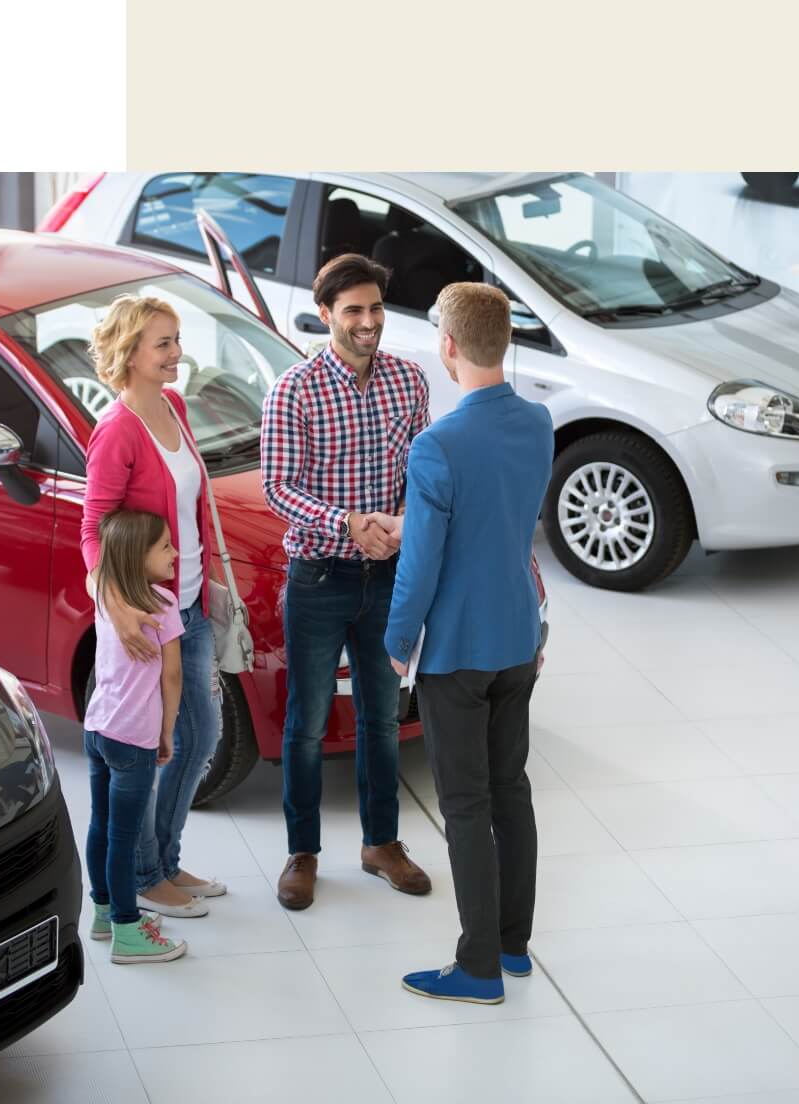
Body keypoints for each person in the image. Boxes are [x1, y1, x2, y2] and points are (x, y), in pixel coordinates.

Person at [381, 283, 554, 1004]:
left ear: (448, 346)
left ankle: (477, 967)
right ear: (503, 341)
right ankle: (514, 947)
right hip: (519, 636)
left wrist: (396, 641)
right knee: (511, 790)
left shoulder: (437, 445)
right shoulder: (539, 422)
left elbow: (421, 562)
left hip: (458, 651)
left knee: (466, 806)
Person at [260, 253, 433, 910]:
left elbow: (423, 474)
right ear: (326, 313)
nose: (368, 322)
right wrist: (348, 521)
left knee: (382, 718)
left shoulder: (409, 382)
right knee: (305, 722)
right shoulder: (294, 390)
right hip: (318, 576)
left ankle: (380, 844)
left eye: (376, 309)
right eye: (354, 311)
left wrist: (401, 523)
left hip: (387, 576)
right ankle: (302, 853)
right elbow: (277, 487)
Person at [82, 296, 225, 919]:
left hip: (188, 604)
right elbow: (94, 530)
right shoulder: (116, 431)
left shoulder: (174, 406)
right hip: (146, 616)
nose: (176, 353)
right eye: (163, 343)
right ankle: (142, 874)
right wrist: (115, 606)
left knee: (199, 736)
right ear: (130, 354)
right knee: (146, 748)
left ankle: (162, 859)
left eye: (177, 339)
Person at [84, 509, 187, 964]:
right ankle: (128, 930)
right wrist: (166, 731)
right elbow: (173, 677)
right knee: (124, 837)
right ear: (137, 555)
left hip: (98, 727)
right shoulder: (162, 606)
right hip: (134, 738)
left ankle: (103, 913)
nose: (175, 552)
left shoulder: (107, 597)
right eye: (164, 546)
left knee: (101, 825)